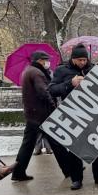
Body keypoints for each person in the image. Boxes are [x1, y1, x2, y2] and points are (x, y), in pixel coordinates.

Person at [49, 43, 98, 190]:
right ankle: (76, 179)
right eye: (79, 60)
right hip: (73, 114)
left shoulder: (93, 69)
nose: (82, 63)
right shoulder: (61, 70)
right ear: (73, 59)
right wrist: (70, 83)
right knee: (75, 149)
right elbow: (52, 90)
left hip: (94, 113)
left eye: (85, 60)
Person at [11, 51, 69, 181]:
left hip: (33, 115)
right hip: (42, 115)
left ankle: (18, 172)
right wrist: (54, 108)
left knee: (27, 145)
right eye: (45, 60)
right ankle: (69, 169)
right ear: (39, 60)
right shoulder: (37, 73)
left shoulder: (28, 71)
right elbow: (44, 92)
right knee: (57, 143)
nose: (47, 63)